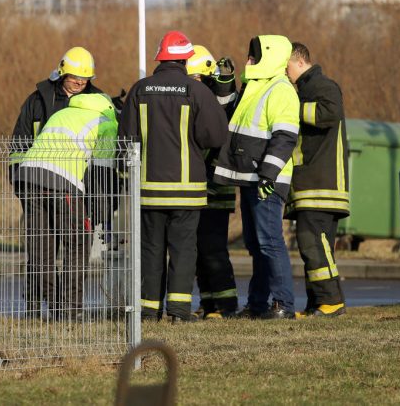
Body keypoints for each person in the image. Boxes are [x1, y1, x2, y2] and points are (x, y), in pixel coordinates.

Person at [119, 31, 228, 323]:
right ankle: (179, 311)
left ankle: (148, 310)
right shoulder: (197, 91)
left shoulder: (140, 90)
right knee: (183, 249)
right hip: (187, 190)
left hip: (148, 189)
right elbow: (216, 135)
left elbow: (125, 140)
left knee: (152, 248)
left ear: (160, 58)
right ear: (185, 59)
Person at [214, 35, 300, 320]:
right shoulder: (255, 87)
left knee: (269, 241)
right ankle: (258, 304)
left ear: (270, 58)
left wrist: (267, 175)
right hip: (253, 176)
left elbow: (285, 137)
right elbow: (228, 112)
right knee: (256, 243)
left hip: (267, 180)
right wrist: (224, 81)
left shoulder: (281, 90)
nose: (249, 61)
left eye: (254, 57)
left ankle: (284, 304)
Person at [17, 92, 118, 320]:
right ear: (109, 110)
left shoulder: (62, 113)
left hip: (28, 177)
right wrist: (100, 211)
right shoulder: (106, 123)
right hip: (63, 182)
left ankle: (54, 306)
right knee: (78, 243)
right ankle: (70, 310)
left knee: (41, 247)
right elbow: (102, 172)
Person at [285, 42, 350, 317]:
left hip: (321, 184)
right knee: (317, 247)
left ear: (300, 62)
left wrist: (291, 111)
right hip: (311, 184)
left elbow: (329, 113)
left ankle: (331, 301)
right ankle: (318, 304)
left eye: (285, 67)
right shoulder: (306, 89)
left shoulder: (323, 86)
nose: (284, 73)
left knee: (312, 243)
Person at [186, 46, 240, 319]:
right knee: (198, 250)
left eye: (195, 78)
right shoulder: (198, 97)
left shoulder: (214, 99)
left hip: (216, 187)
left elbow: (226, 104)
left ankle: (226, 305)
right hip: (198, 187)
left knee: (213, 248)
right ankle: (208, 304)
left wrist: (225, 81)